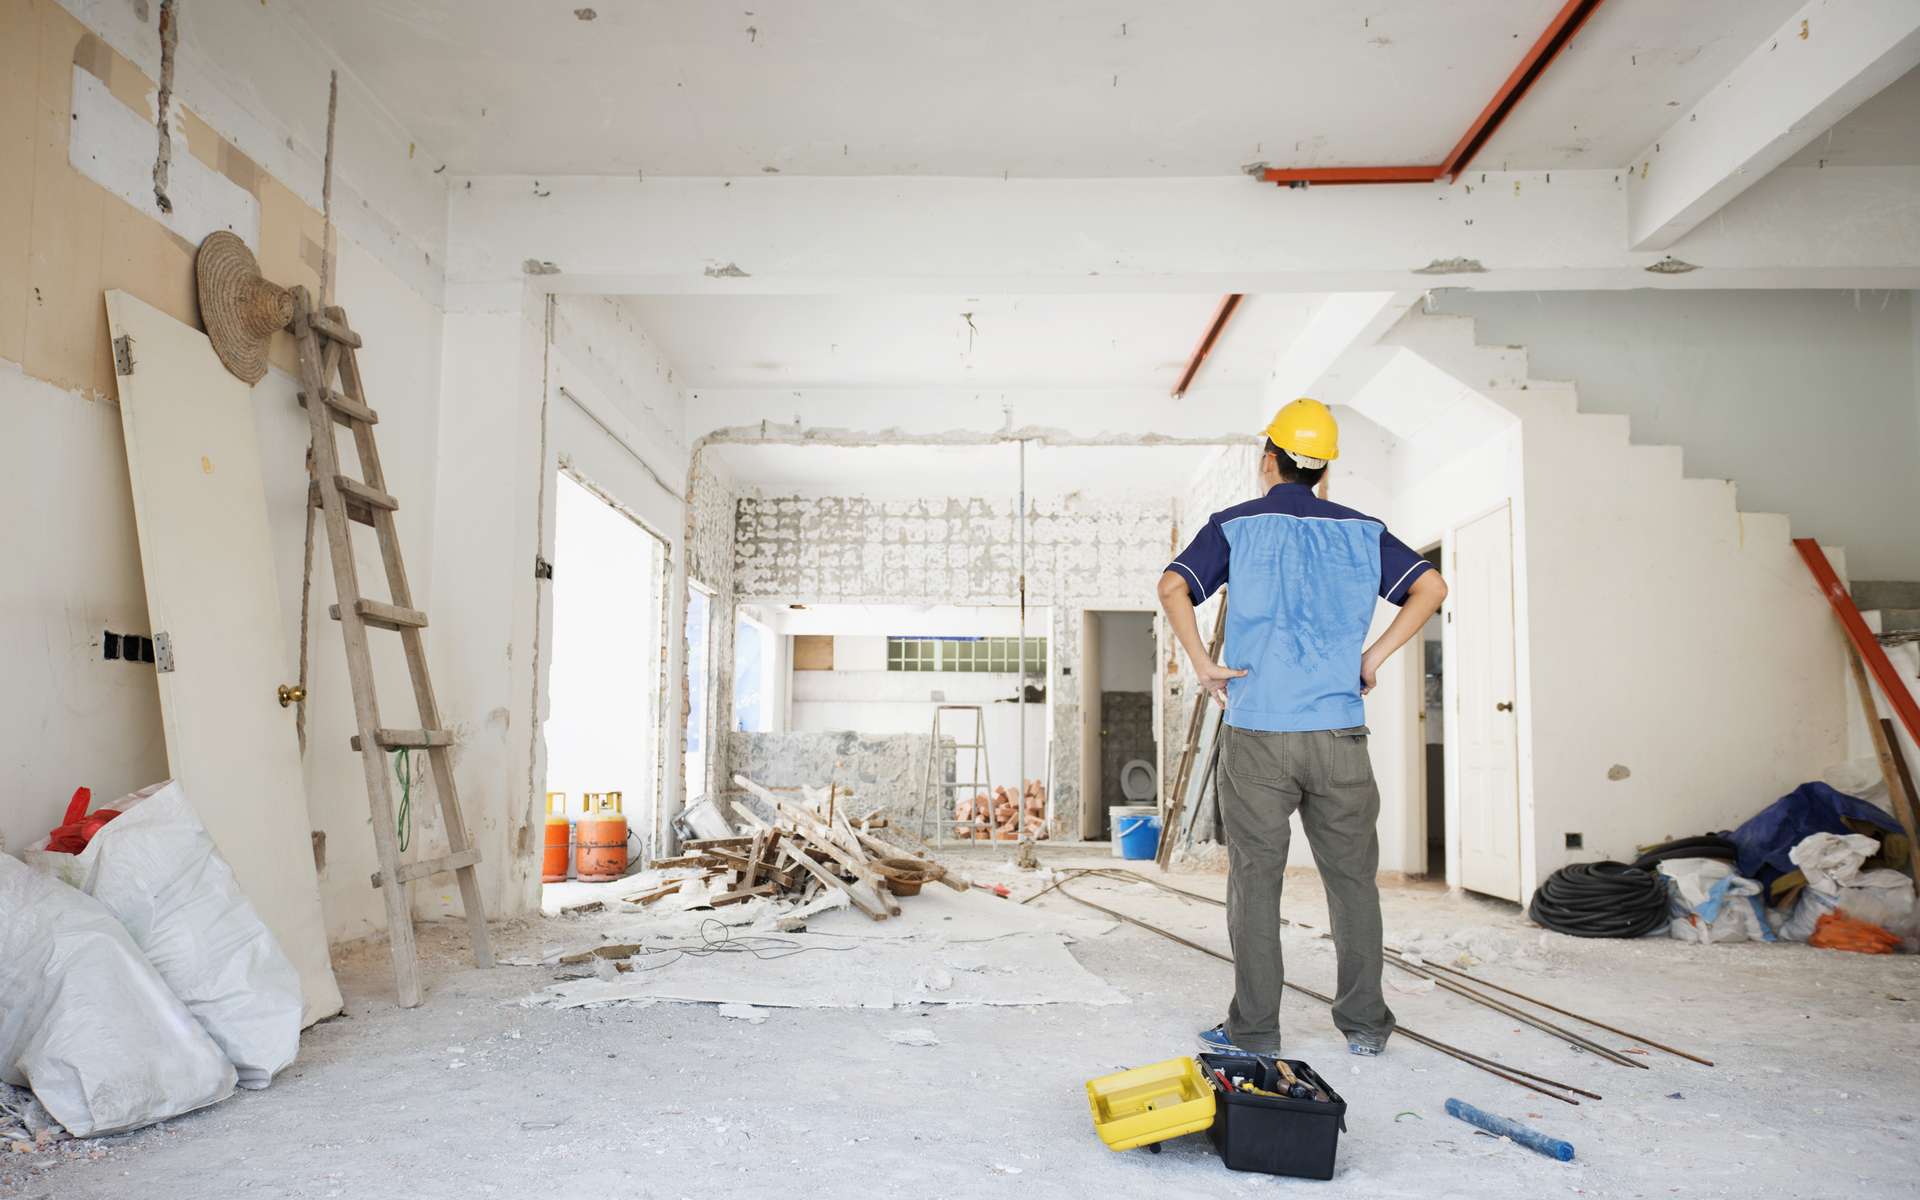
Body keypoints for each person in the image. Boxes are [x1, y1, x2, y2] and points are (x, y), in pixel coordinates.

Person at [1157, 398, 1447, 1057]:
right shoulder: (1364, 530)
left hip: (1259, 733)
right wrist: (1370, 658)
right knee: (1351, 883)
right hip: (1340, 733)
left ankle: (1255, 1032)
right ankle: (1367, 1028)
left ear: (1269, 462)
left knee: (1256, 883)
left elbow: (1173, 586)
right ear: (1324, 472)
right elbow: (1430, 588)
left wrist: (1204, 663)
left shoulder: (1235, 526)